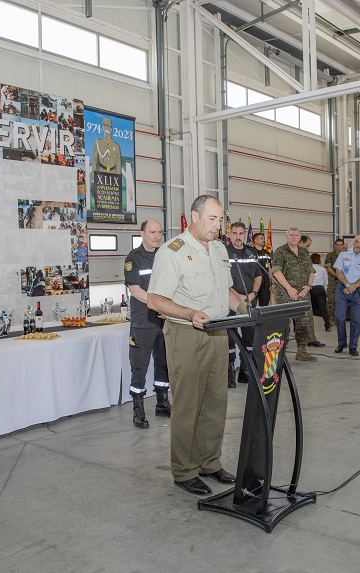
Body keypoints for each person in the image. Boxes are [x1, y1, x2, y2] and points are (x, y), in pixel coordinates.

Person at [147, 195, 242, 496]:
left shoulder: (219, 249)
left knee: (216, 403)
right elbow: (155, 299)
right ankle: (185, 470)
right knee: (189, 404)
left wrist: (249, 310)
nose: (218, 225)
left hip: (218, 332)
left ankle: (209, 462)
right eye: (212, 219)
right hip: (186, 334)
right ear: (194, 217)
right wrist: (189, 313)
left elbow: (225, 290)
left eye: (220, 219)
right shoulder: (172, 252)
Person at [124, 219, 170, 428]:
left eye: (159, 232)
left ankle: (162, 403)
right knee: (139, 366)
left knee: (164, 363)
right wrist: (158, 305)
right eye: (152, 232)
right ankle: (138, 410)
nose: (156, 236)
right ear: (142, 234)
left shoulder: (165, 256)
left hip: (165, 320)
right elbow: (135, 290)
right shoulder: (134, 258)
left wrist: (168, 308)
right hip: (144, 320)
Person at [272, 227, 318, 361]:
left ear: (299, 238)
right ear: (286, 237)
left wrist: (308, 287)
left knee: (303, 323)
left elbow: (311, 270)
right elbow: (276, 272)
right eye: (291, 235)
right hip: (285, 294)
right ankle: (280, 353)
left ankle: (302, 351)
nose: (293, 237)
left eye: (296, 235)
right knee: (283, 324)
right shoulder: (280, 251)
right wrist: (289, 289)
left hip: (303, 294)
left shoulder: (304, 252)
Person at [226, 221, 262, 387]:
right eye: (235, 233)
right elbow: (222, 279)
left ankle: (245, 370)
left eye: (241, 234)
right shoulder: (224, 252)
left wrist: (253, 294)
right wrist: (237, 295)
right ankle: (230, 370)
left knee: (250, 336)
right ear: (230, 234)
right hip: (230, 301)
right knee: (229, 335)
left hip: (249, 300)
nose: (238, 237)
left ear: (245, 235)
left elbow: (258, 275)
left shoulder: (251, 252)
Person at [331, 235, 360, 356]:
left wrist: (353, 287)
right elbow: (338, 272)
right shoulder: (344, 254)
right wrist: (347, 285)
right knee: (339, 318)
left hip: (357, 291)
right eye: (356, 242)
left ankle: (353, 346)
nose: (357, 245)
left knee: (355, 320)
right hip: (342, 290)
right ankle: (342, 343)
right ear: (352, 242)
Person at [297, 235, 325, 349]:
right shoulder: (287, 254)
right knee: (287, 317)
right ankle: (284, 340)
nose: (308, 248)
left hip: (304, 289)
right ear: (300, 243)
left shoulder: (306, 256)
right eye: (307, 245)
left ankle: (311, 339)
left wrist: (308, 285)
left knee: (309, 316)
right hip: (290, 290)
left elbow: (311, 272)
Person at [324, 238, 346, 325]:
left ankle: (340, 319)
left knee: (342, 301)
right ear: (335, 245)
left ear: (343, 246)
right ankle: (331, 318)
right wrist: (337, 276)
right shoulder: (330, 255)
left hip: (344, 281)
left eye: (341, 245)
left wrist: (342, 278)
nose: (339, 247)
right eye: (337, 245)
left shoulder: (346, 255)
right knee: (331, 300)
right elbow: (328, 268)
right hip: (333, 281)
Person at [310, 253, 331, 333]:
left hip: (312, 288)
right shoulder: (322, 269)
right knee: (323, 308)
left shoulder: (309, 268)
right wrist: (325, 290)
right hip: (321, 288)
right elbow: (326, 280)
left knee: (310, 308)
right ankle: (327, 325)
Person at [252, 232, 272, 306]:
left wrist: (272, 281)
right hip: (254, 284)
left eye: (263, 238)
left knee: (264, 306)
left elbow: (269, 266)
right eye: (261, 238)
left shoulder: (266, 252)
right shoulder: (251, 252)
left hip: (265, 284)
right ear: (256, 240)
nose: (264, 240)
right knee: (252, 305)